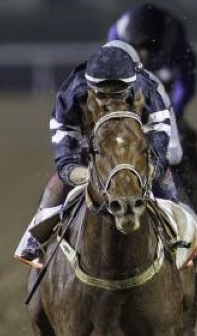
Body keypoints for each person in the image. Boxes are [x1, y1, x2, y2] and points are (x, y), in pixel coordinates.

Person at [12, 42, 176, 268]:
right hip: (90, 148)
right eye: (102, 94)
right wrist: (74, 171)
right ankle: (34, 239)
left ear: (131, 84)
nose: (110, 101)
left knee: (164, 176)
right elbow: (64, 147)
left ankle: (177, 231)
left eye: (117, 92)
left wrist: (153, 166)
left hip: (131, 145)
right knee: (57, 183)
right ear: (89, 86)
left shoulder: (145, 88)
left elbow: (159, 130)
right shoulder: (72, 93)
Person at [108, 4, 197, 211]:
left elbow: (186, 82)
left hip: (167, 93)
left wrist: (173, 112)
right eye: (141, 49)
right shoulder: (116, 38)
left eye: (150, 48)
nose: (146, 54)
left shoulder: (175, 38)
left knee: (184, 138)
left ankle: (196, 185)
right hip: (129, 93)